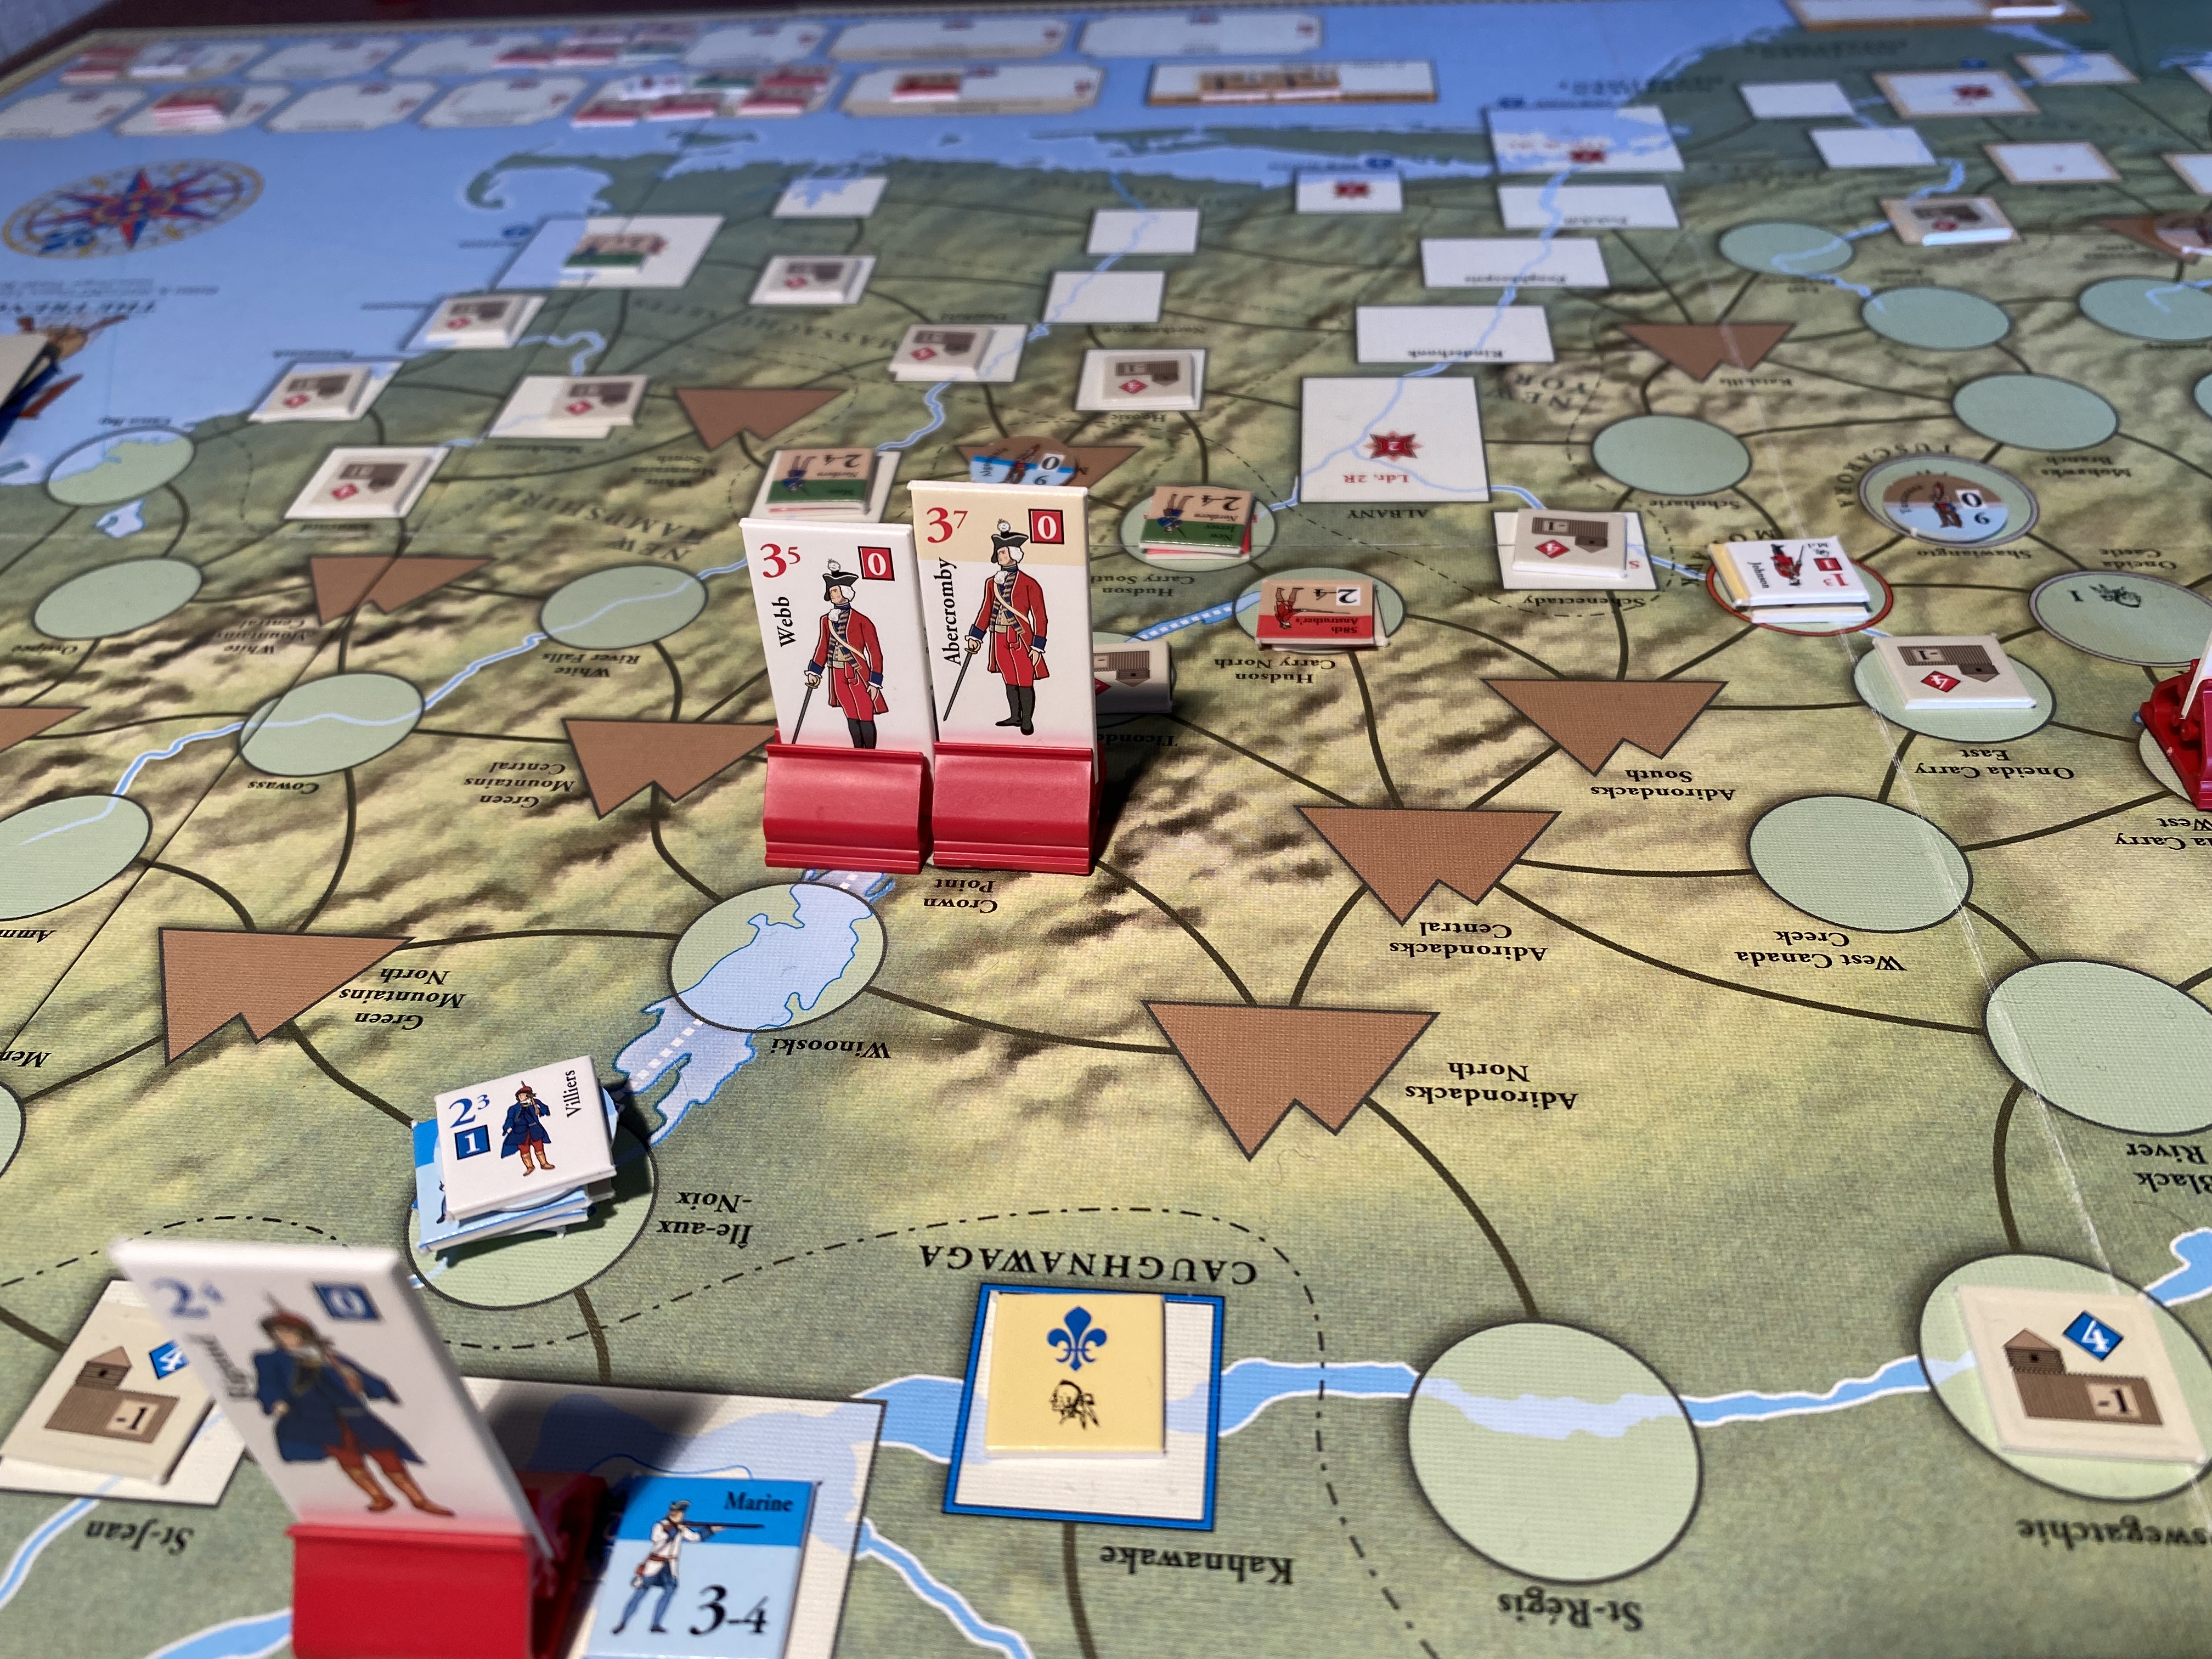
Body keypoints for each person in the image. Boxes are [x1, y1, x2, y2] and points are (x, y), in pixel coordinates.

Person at [253, 1308, 452, 1517]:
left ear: (302, 1333)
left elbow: (361, 1376)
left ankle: (419, 1501)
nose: (283, 1337)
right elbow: (268, 1383)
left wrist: (373, 1387)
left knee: (387, 1455)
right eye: (277, 1334)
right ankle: (379, 1497)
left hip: (353, 1414)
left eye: (288, 1332)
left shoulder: (326, 1356)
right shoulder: (269, 1359)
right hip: (317, 1419)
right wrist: (276, 1401)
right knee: (350, 1461)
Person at [962, 522, 1049, 735]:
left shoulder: (1029, 583)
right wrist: (976, 636)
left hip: (1021, 639)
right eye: (998, 552)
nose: (999, 556)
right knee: (1009, 678)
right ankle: (1015, 716)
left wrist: (1037, 646)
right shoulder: (991, 583)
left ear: (1014, 554)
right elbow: (986, 611)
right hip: (999, 637)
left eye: (1002, 552)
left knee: (1025, 680)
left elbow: (1040, 616)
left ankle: (1027, 721)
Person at [804, 567, 888, 748]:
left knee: (865, 714)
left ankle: (870, 754)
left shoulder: (862, 621)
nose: (832, 595)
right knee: (850, 714)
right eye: (831, 592)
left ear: (846, 592)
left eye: (835, 591)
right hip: (837, 673)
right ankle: (858, 752)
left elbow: (875, 652)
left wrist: (874, 682)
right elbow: (823, 647)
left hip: (857, 673)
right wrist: (815, 672)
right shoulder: (826, 620)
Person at [612, 1498, 719, 1636]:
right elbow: (658, 1539)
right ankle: (622, 1623)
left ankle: (656, 1624)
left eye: (681, 1514)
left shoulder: (680, 1528)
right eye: (676, 1513)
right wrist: (675, 1530)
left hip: (670, 1566)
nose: (679, 1516)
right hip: (655, 1564)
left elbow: (694, 1538)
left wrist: (710, 1530)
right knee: (640, 1593)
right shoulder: (661, 1526)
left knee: (670, 1591)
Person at [501, 1081, 554, 1176]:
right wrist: (507, 1128)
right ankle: (530, 1167)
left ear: (527, 1095)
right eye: (519, 1096)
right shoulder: (514, 1108)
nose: (521, 1097)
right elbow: (510, 1119)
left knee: (539, 1146)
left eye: (522, 1095)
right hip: (520, 1131)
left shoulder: (535, 1103)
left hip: (534, 1129)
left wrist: (539, 1109)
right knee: (524, 1149)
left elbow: (545, 1109)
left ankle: (544, 1164)